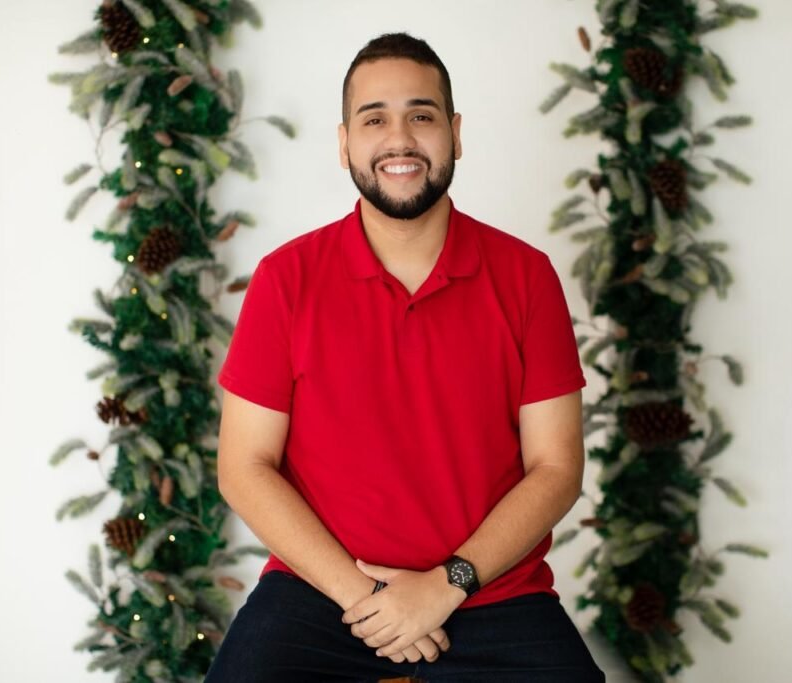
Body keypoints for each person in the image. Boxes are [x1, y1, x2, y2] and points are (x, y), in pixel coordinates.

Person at [205, 32, 605, 683]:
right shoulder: (285, 280)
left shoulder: (527, 277)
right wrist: (368, 600)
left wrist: (445, 585)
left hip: (492, 591)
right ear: (344, 144)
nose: (400, 139)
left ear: (454, 133)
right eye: (374, 120)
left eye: (421, 116)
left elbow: (556, 467)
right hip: (321, 593)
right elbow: (244, 467)